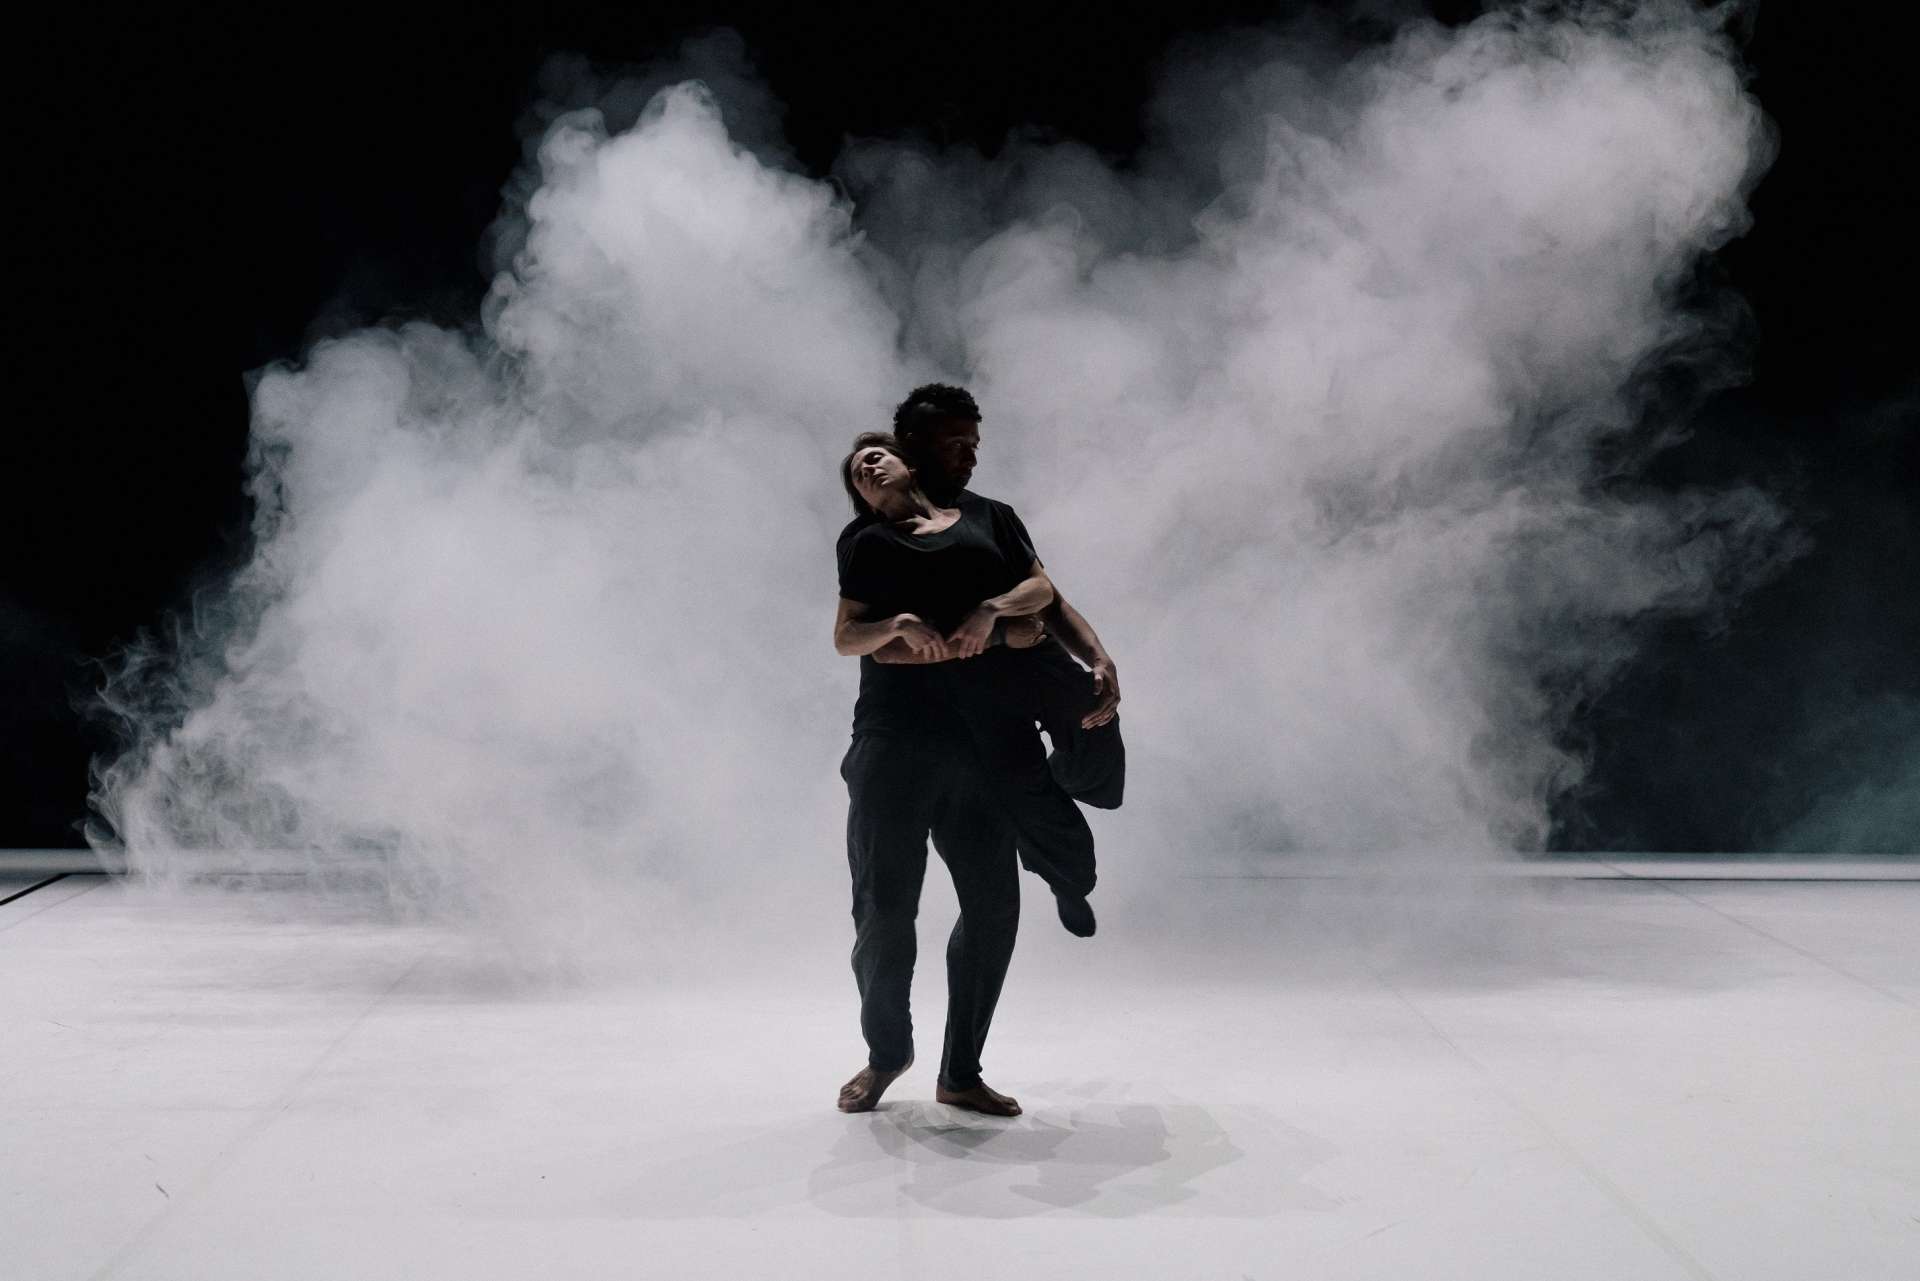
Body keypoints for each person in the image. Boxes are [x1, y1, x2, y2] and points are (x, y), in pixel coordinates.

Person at [838, 434, 1100, 934]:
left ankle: (1069, 884)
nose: (867, 469)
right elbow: (866, 643)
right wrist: (999, 633)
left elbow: (1044, 591)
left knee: (1066, 837)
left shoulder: (984, 519)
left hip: (1003, 701)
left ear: (909, 466)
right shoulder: (870, 544)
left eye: (876, 457)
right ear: (864, 501)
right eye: (857, 474)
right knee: (949, 877)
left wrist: (1000, 613)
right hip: (939, 720)